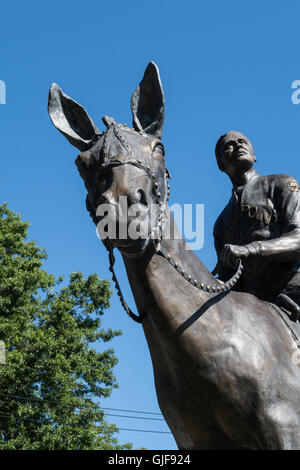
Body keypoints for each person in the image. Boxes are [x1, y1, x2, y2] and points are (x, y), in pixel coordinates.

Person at [213, 130, 300, 321]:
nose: (238, 145)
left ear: (254, 155)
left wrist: (249, 249)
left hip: (294, 291)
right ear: (220, 164)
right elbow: (228, 277)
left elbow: (298, 238)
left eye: (242, 141)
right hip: (254, 309)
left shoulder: (281, 184)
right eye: (230, 144)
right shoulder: (221, 223)